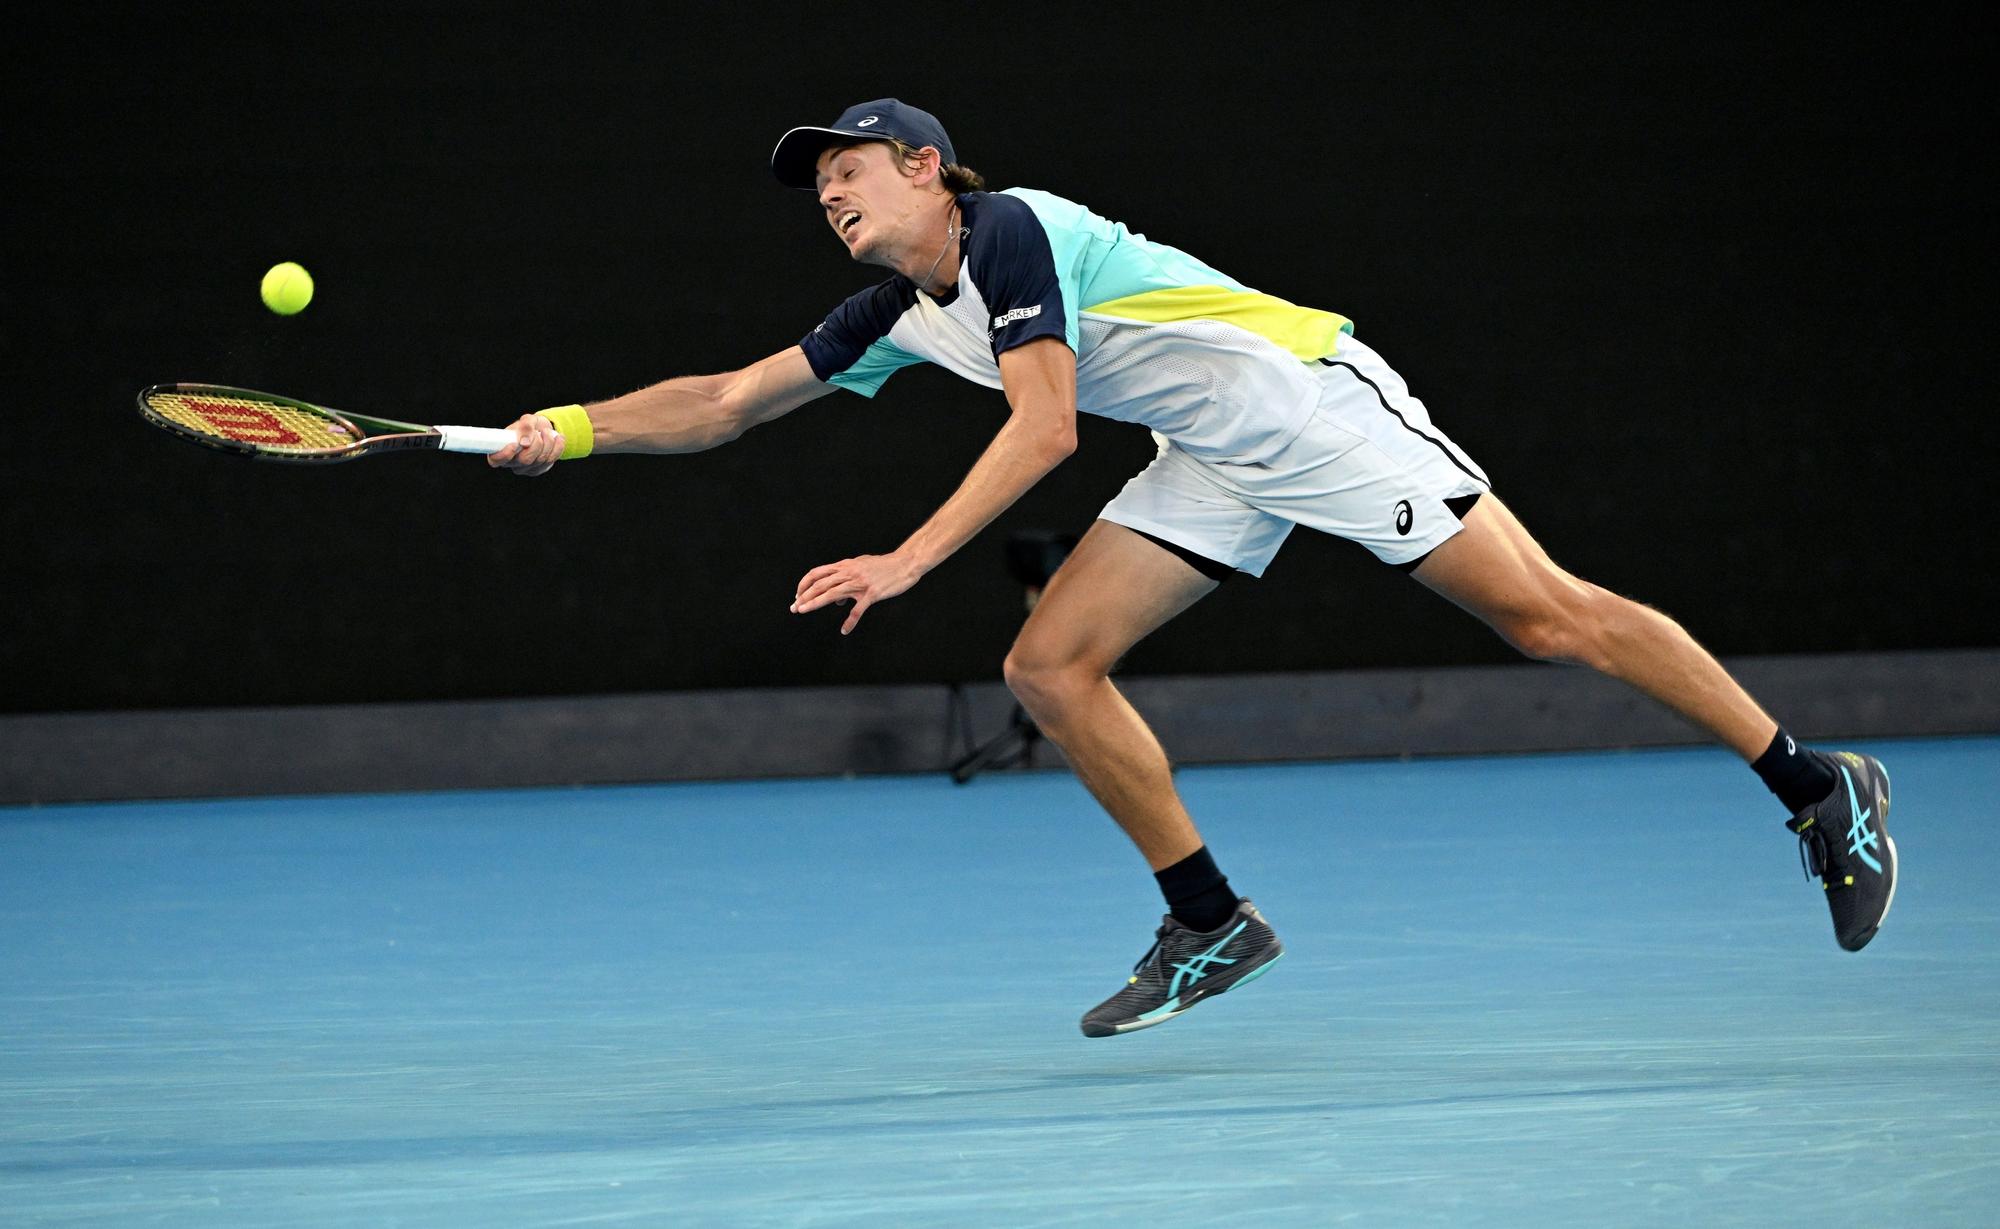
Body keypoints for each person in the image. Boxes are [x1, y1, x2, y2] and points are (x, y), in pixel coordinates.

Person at [490, 99, 1898, 1037]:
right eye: (818, 192)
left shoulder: (1011, 230)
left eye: (848, 173)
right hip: (1211, 454)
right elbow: (726, 398)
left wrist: (909, 556)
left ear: (927, 168)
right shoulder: (894, 310)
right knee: (1047, 665)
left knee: (1549, 620)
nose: (831, 199)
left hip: (1310, 403)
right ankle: (1210, 920)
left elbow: (1043, 427)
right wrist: (560, 429)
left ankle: (1815, 782)